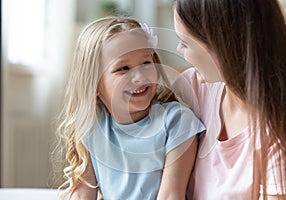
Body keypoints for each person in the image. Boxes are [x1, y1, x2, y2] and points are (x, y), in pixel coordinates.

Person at [56, 16, 205, 200]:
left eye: (146, 63)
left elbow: (171, 195)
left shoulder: (177, 122)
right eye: (123, 68)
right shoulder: (92, 128)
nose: (139, 77)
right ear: (94, 84)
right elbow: (82, 195)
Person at [171, 0, 286, 199]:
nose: (179, 50)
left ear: (221, 45)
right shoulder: (192, 89)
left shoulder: (281, 134)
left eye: (185, 42)